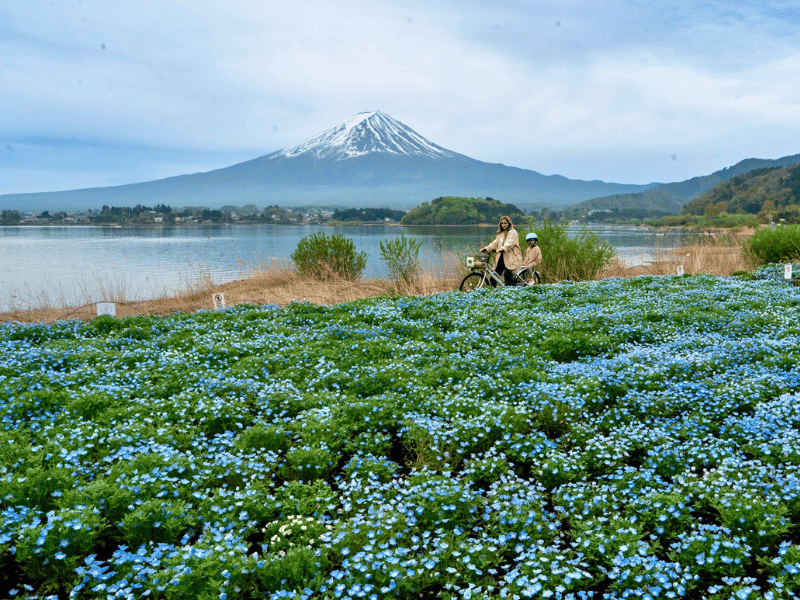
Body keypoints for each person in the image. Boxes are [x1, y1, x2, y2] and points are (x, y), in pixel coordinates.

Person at [480, 215, 522, 285]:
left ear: (509, 223)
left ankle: (510, 290)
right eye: (502, 223)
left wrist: (503, 248)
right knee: (495, 273)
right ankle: (491, 289)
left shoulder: (513, 232)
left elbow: (509, 243)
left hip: (512, 256)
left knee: (507, 273)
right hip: (502, 256)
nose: (503, 225)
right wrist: (486, 249)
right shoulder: (501, 234)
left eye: (505, 223)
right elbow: (495, 243)